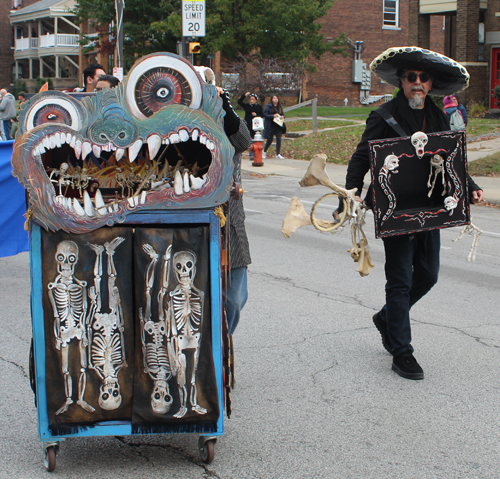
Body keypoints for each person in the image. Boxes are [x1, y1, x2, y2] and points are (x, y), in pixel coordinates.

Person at [345, 47, 484, 380]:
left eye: (423, 78)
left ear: (430, 83)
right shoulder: (383, 116)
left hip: (431, 208)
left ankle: (386, 319)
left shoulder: (436, 116)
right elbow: (361, 158)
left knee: (428, 275)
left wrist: (472, 184)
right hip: (394, 209)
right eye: (411, 78)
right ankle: (402, 352)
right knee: (400, 280)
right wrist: (351, 192)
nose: (418, 83)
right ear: (402, 82)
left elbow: (451, 157)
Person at [214, 86, 253, 336]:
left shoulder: (228, 121)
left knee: (234, 299)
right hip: (188, 223)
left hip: (230, 223)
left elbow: (243, 140)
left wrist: (223, 104)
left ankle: (222, 345)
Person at [237, 92, 264, 159]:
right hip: (248, 124)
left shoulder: (258, 107)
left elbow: (262, 115)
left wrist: (256, 114)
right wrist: (244, 95)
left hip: (256, 125)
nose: (251, 101)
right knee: (250, 139)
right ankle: (251, 154)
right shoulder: (247, 106)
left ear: (255, 100)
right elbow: (239, 102)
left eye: (253, 99)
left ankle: (257, 153)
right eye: (250, 99)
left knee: (256, 139)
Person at [263, 95, 285, 159]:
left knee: (279, 139)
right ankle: (264, 152)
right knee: (270, 140)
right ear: (272, 99)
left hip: (278, 125)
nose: (275, 99)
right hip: (271, 125)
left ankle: (278, 154)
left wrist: (282, 116)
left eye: (276, 98)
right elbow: (265, 114)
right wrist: (273, 116)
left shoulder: (279, 106)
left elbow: (282, 114)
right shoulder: (269, 106)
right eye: (274, 98)